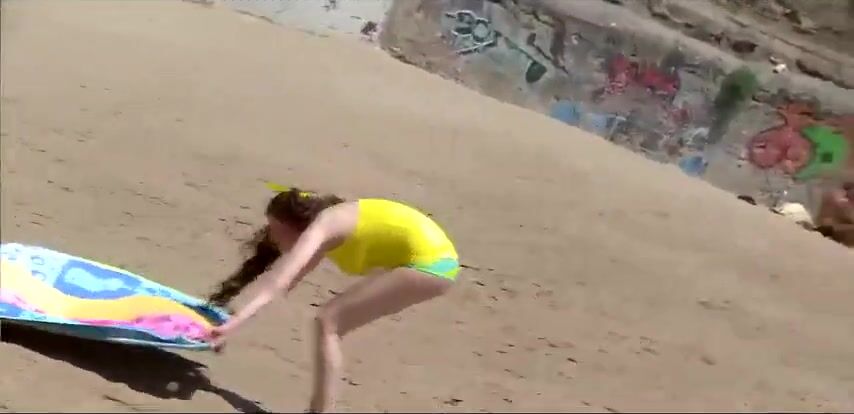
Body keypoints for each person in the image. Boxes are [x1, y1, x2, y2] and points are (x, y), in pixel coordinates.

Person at [203, 187, 460, 413]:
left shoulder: (325, 225)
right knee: (328, 321)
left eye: (275, 229)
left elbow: (275, 286)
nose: (271, 237)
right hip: (435, 263)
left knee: (328, 321)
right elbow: (283, 286)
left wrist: (232, 325)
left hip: (432, 265)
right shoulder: (325, 230)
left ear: (294, 226)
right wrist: (233, 321)